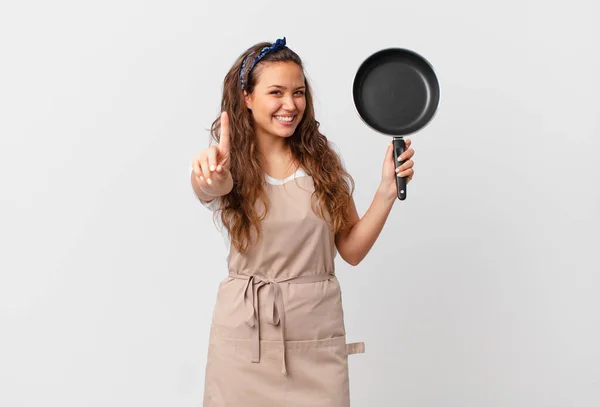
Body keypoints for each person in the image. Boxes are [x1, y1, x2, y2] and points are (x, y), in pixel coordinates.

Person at [190, 37, 415, 407]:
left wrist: (387, 190)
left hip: (315, 339)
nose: (290, 105)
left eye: (298, 92)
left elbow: (352, 250)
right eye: (275, 92)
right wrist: (208, 178)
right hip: (246, 343)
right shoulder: (228, 164)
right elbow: (210, 185)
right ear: (247, 97)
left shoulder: (322, 165)